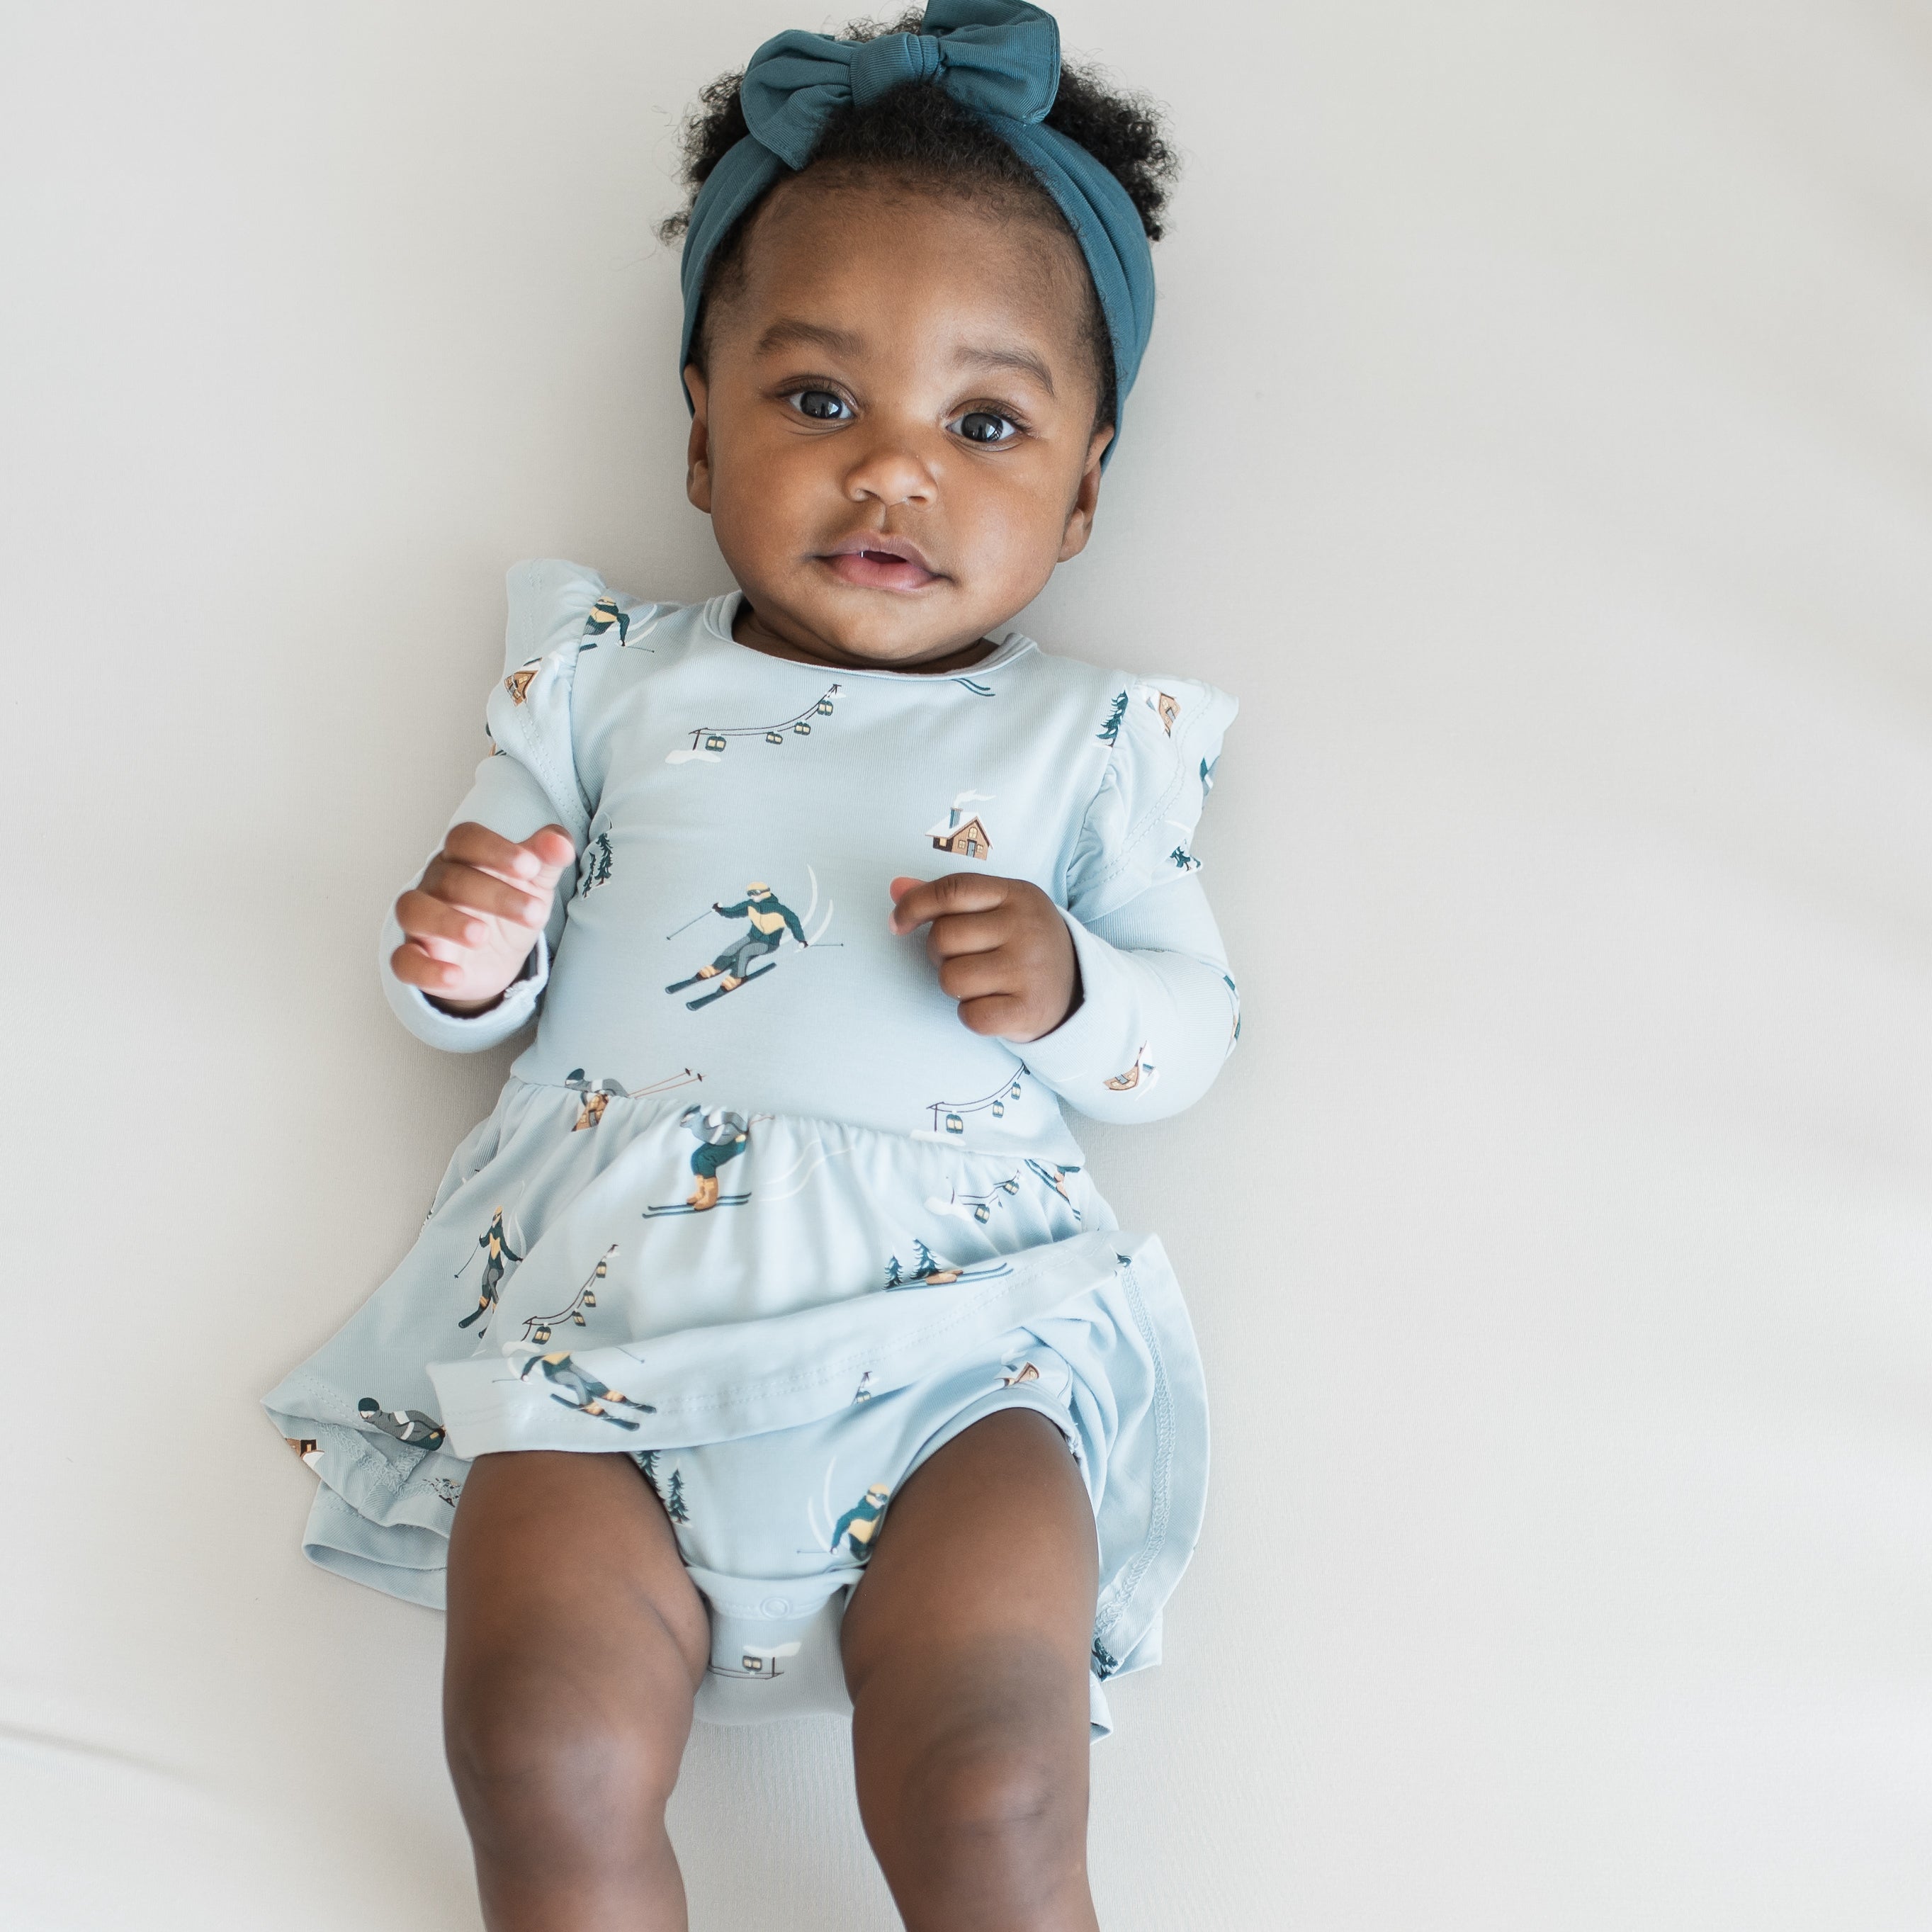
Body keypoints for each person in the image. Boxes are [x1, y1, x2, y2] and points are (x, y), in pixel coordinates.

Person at [259, 4, 1241, 1925]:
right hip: (596, 1338)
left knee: (994, 1780)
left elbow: (1188, 1034)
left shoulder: (1090, 749)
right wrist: (466, 952)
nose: (892, 477)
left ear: (1087, 488)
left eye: (983, 423)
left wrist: (1067, 988)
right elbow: (481, 975)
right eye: (816, 403)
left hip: (958, 1348)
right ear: (698, 433)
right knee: (536, 1743)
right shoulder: (609, 682)